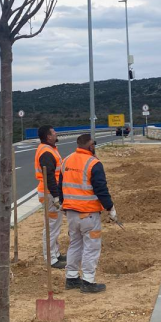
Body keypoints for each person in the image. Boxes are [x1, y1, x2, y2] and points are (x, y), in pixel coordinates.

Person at [60, 134, 117, 294]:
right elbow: (101, 189)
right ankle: (88, 281)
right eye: (94, 144)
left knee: (75, 244)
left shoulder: (67, 160)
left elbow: (61, 185)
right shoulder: (94, 163)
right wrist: (110, 208)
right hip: (88, 213)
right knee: (91, 247)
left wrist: (64, 205)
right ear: (90, 145)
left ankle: (71, 278)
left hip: (71, 212)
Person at [35, 125, 66, 269]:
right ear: (48, 137)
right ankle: (50, 258)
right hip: (49, 193)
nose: (56, 133)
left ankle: (55, 253)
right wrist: (56, 196)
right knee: (51, 227)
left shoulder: (50, 148)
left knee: (55, 226)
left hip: (49, 193)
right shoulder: (46, 152)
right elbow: (50, 176)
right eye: (54, 132)